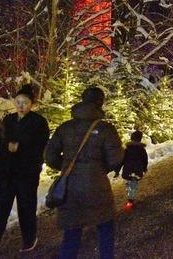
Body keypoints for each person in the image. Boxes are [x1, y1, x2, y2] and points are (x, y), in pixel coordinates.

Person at [44, 87, 124, 259]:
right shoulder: (106, 129)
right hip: (97, 185)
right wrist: (100, 169)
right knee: (105, 228)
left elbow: (49, 156)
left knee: (71, 233)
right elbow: (116, 158)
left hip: (70, 186)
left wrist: (66, 167)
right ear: (100, 103)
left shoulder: (65, 127)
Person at [0, 84, 50, 258]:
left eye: (25, 102)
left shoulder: (39, 122)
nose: (21, 105)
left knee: (26, 207)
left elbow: (42, 146)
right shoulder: (8, 120)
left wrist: (21, 147)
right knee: (1, 209)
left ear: (32, 104)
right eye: (18, 102)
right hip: (6, 173)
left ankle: (29, 239)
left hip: (26, 174)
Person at [115, 130, 148, 209]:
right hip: (137, 170)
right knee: (133, 184)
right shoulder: (142, 150)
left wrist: (117, 171)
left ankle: (130, 201)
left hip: (128, 170)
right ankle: (130, 201)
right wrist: (144, 168)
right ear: (140, 139)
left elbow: (121, 161)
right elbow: (145, 160)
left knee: (130, 184)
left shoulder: (127, 150)